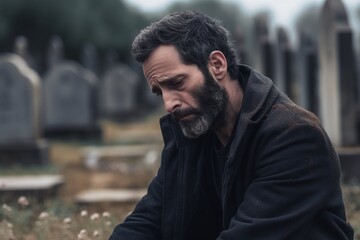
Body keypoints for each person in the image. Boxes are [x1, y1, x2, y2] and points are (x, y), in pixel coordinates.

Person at [109, 11, 354, 239]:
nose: (169, 104)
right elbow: (149, 218)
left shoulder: (294, 137)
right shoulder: (194, 135)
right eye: (159, 92)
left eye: (177, 83)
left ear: (217, 65)